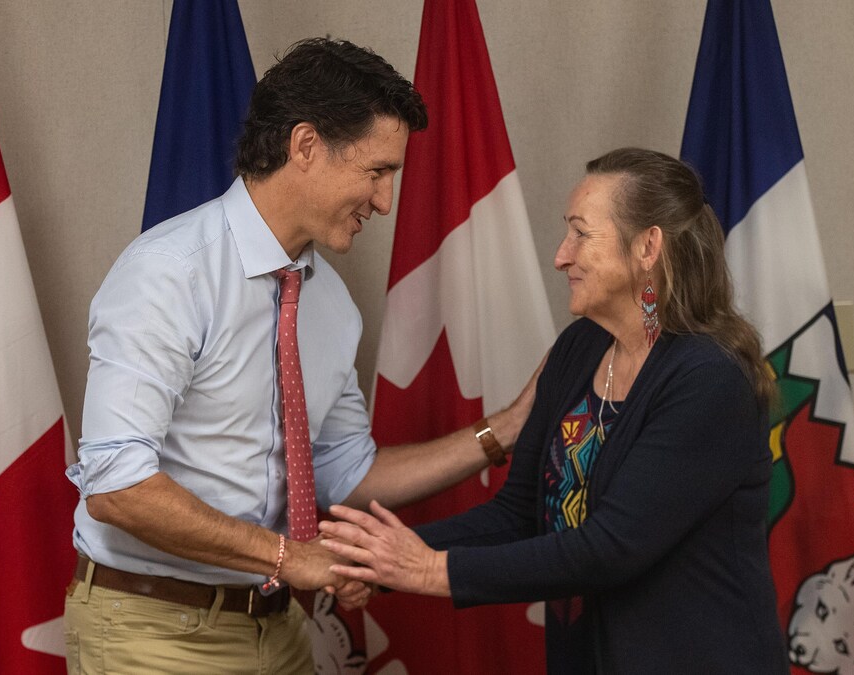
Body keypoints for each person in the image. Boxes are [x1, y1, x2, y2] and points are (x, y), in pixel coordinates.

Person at [62, 37, 536, 675]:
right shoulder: (169, 274)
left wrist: (501, 431)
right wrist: (288, 556)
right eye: (377, 171)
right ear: (306, 145)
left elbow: (348, 476)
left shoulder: (330, 303)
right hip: (153, 633)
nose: (386, 201)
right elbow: (117, 486)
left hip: (281, 630)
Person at [321, 148, 790, 674]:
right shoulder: (579, 349)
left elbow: (609, 548)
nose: (560, 256)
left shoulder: (708, 379)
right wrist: (374, 561)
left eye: (580, 233)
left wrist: (429, 570)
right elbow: (520, 517)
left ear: (648, 246)